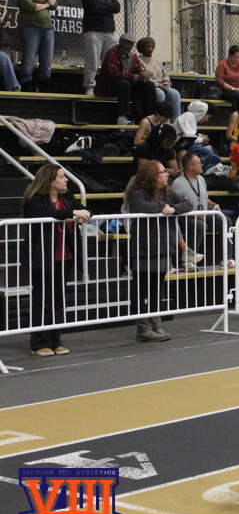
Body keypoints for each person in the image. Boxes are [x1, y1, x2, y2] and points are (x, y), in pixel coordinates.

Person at [21, 164, 90, 355]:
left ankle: (55, 338)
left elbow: (84, 209)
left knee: (58, 299)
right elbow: (46, 214)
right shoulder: (35, 200)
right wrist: (72, 213)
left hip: (64, 256)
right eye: (61, 176)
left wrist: (83, 214)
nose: (66, 179)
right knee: (42, 299)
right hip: (42, 257)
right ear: (50, 181)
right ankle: (39, 341)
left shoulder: (66, 198)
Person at [124, 160, 193, 342]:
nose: (167, 174)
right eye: (162, 172)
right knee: (141, 290)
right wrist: (163, 208)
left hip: (163, 247)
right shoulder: (138, 191)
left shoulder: (167, 190)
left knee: (157, 289)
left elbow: (187, 204)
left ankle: (155, 324)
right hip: (144, 248)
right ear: (152, 176)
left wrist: (173, 209)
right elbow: (140, 207)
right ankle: (143, 327)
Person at [171, 152, 224, 261]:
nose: (202, 165)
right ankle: (189, 258)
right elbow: (177, 207)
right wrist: (194, 215)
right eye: (199, 163)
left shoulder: (201, 179)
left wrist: (214, 205)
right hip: (186, 217)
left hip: (202, 214)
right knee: (200, 225)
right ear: (191, 166)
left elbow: (205, 198)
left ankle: (226, 258)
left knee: (224, 220)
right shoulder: (178, 184)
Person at [95, 33, 157, 126]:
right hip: (110, 86)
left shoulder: (133, 56)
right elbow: (114, 74)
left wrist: (144, 75)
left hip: (128, 87)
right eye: (127, 43)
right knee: (124, 83)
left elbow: (138, 71)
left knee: (150, 85)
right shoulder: (111, 54)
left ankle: (150, 117)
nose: (130, 46)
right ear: (120, 42)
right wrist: (135, 77)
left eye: (131, 44)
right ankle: (122, 117)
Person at [17, 0, 57, 92]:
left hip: (47, 29)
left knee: (46, 60)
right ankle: (27, 85)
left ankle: (44, 85)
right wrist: (46, 5)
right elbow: (30, 6)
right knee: (29, 58)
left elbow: (54, 4)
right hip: (31, 28)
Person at [82, 0, 120, 96]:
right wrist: (108, 7)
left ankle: (109, 86)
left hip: (110, 32)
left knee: (111, 62)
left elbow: (117, 7)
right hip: (94, 31)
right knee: (92, 61)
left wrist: (104, 7)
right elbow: (93, 7)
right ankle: (90, 87)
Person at [137, 37, 182, 121]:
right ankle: (158, 121)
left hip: (162, 85)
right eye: (147, 46)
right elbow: (144, 77)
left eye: (152, 46)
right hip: (151, 86)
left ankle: (175, 122)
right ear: (142, 48)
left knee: (175, 94)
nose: (150, 48)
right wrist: (158, 85)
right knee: (160, 94)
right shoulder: (138, 60)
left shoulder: (157, 61)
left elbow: (165, 74)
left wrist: (166, 82)